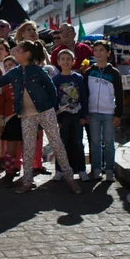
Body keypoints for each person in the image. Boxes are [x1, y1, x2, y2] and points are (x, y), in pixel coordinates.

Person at [0, 40, 82, 195]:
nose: (14, 52)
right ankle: (28, 182)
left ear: (27, 54)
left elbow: (52, 90)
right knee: (28, 148)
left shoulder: (37, 70)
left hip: (45, 112)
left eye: (17, 50)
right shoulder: (14, 72)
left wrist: (49, 109)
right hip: (26, 115)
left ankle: (70, 178)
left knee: (57, 144)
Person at [85, 40, 123, 182]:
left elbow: (119, 95)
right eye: (96, 50)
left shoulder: (114, 72)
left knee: (108, 142)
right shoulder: (89, 72)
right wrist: (85, 113)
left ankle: (109, 170)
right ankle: (96, 169)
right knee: (95, 141)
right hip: (93, 113)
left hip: (109, 113)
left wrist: (118, 114)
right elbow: (85, 94)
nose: (99, 53)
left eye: (102, 50)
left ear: (108, 53)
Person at [52, 50, 89, 182]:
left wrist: (84, 114)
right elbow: (54, 101)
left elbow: (84, 97)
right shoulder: (56, 80)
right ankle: (59, 170)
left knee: (78, 143)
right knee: (61, 143)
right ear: (58, 62)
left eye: (69, 59)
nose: (66, 62)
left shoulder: (78, 78)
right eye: (63, 59)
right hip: (63, 116)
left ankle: (81, 170)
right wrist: (57, 118)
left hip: (77, 115)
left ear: (73, 61)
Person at [0, 55, 21, 187]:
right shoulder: (2, 83)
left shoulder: (25, 79)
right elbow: (0, 105)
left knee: (28, 147)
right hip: (10, 118)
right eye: (5, 66)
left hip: (26, 117)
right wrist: (0, 123)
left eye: (10, 65)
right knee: (10, 148)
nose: (8, 68)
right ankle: (9, 173)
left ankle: (27, 176)